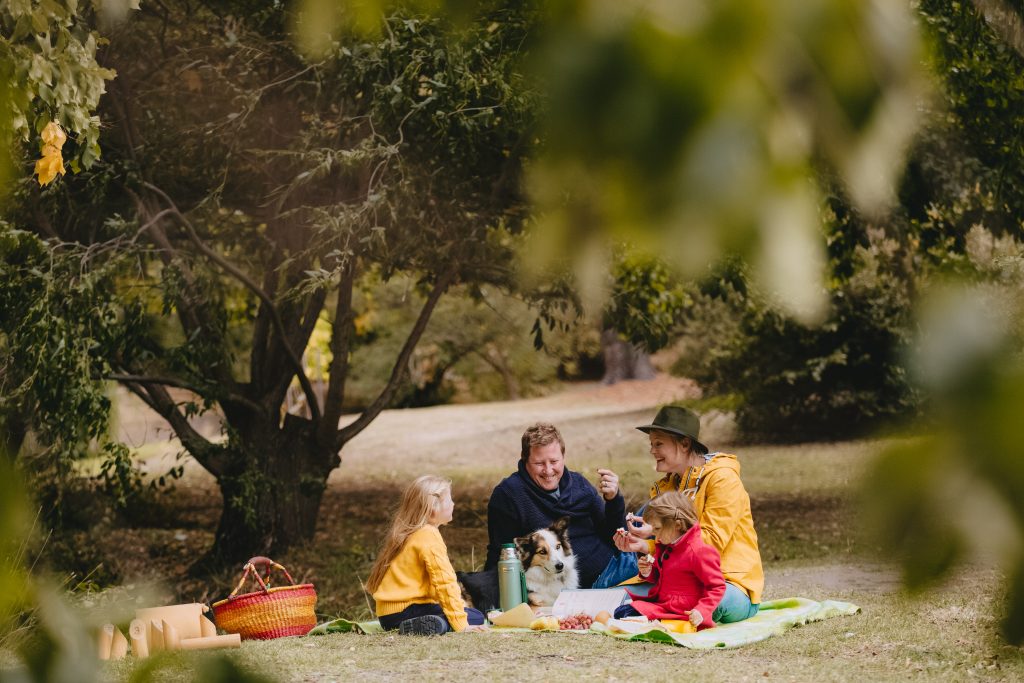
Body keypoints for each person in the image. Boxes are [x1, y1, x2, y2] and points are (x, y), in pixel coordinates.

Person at [613, 405, 763, 623]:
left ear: (684, 443)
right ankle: (658, 610)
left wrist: (655, 533)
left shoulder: (722, 479)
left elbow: (711, 543)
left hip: (727, 583)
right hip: (676, 585)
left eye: (659, 443)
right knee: (616, 597)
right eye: (651, 444)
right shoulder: (664, 488)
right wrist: (642, 545)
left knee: (700, 601)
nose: (652, 450)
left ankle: (656, 611)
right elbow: (667, 550)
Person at [485, 422, 626, 588]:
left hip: (617, 566)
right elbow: (501, 555)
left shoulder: (579, 484)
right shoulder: (509, 495)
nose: (548, 470)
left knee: (658, 510)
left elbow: (617, 534)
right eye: (539, 463)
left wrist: (613, 499)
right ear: (525, 460)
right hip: (581, 587)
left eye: (554, 461)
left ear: (563, 457)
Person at [367, 475, 486, 635]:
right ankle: (439, 625)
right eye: (450, 500)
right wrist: (461, 624)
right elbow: (444, 581)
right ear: (433, 508)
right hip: (407, 611)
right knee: (475, 617)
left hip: (389, 616)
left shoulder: (411, 532)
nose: (453, 504)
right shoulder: (428, 535)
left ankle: (428, 623)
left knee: (474, 614)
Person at [613, 491, 726, 629]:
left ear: (677, 525)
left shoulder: (699, 551)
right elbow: (660, 576)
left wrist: (701, 611)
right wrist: (647, 571)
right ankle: (658, 622)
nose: (653, 534)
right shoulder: (666, 546)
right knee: (621, 612)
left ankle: (667, 625)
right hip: (663, 605)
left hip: (685, 612)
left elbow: (716, 586)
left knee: (626, 615)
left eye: (657, 528)